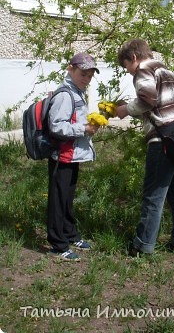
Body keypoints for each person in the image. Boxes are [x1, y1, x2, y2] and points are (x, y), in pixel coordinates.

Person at [116, 38, 174, 256]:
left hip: (162, 141)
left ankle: (142, 246)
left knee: (153, 195)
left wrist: (125, 110)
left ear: (133, 57)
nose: (129, 72)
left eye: (126, 67)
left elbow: (147, 99)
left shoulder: (142, 70)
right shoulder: (165, 71)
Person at [47, 52, 100, 261]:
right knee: (58, 200)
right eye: (82, 74)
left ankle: (69, 234)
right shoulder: (65, 95)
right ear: (71, 69)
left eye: (89, 75)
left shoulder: (77, 92)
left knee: (67, 198)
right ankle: (58, 244)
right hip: (62, 156)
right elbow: (56, 126)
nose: (86, 79)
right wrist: (84, 129)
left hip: (73, 155)